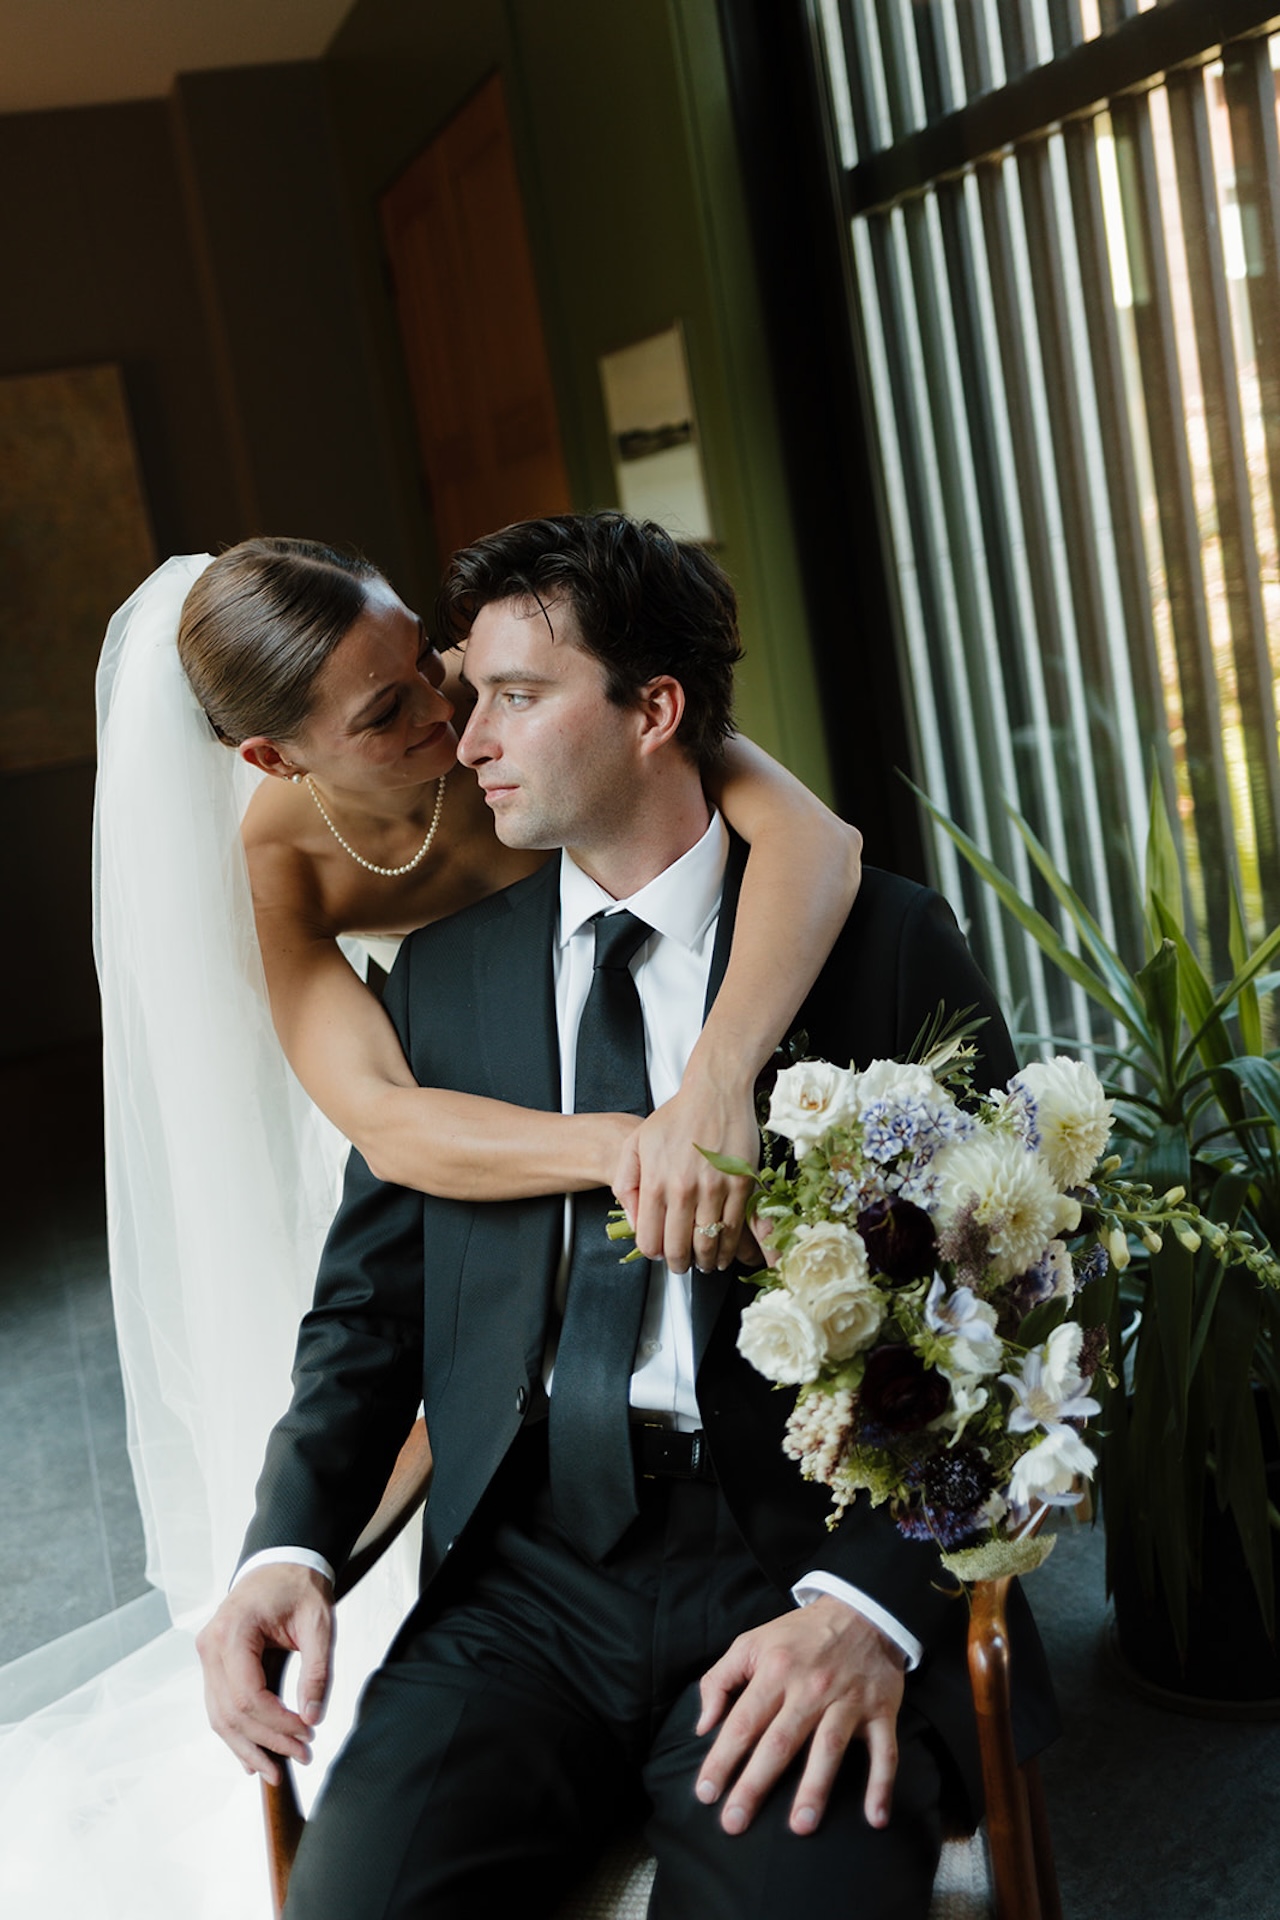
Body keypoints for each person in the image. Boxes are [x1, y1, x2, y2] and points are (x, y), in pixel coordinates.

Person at [198, 512, 1056, 1920]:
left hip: (790, 1558)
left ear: (656, 711)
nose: (465, 740)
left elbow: (1023, 1311)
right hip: (521, 1581)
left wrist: (868, 1610)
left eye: (512, 699)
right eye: (456, 695)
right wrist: (287, 1548)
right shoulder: (440, 982)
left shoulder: (884, 942)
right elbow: (370, 1310)